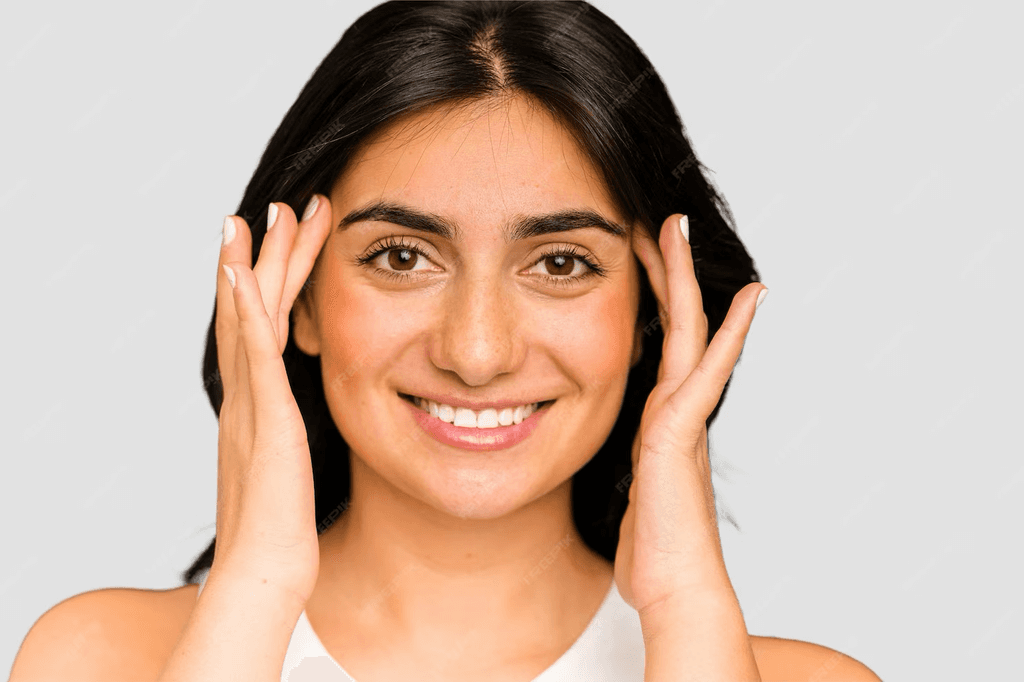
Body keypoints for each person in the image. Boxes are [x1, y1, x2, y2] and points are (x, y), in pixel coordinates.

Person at [11, 2, 881, 680]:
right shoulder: (97, 659)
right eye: (401, 256)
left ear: (656, 312)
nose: (476, 352)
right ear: (294, 297)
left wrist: (688, 608)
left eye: (563, 263)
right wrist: (255, 589)